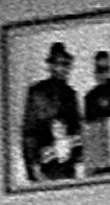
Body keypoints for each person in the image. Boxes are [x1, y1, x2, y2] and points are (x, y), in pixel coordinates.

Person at [18, 41, 83, 182]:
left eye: (66, 64)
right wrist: (34, 167)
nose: (62, 68)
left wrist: (77, 156)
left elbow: (78, 129)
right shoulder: (37, 92)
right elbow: (29, 133)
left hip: (66, 164)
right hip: (46, 163)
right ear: (51, 66)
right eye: (58, 64)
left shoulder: (70, 94)